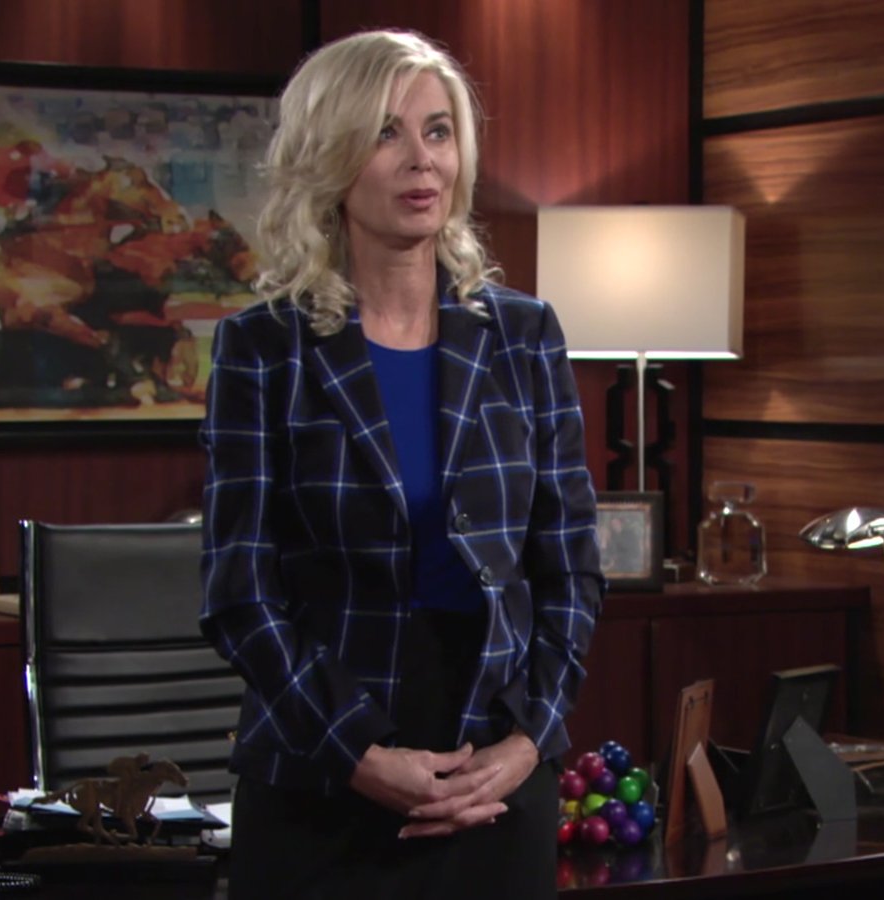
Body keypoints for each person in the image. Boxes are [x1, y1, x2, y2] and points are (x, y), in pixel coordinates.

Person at [198, 29, 603, 900]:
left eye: (438, 131)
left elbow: (569, 566)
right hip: (323, 776)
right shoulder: (263, 348)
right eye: (386, 132)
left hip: (496, 773)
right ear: (329, 156)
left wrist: (527, 740)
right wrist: (357, 752)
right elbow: (239, 591)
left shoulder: (525, 336)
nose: (422, 160)